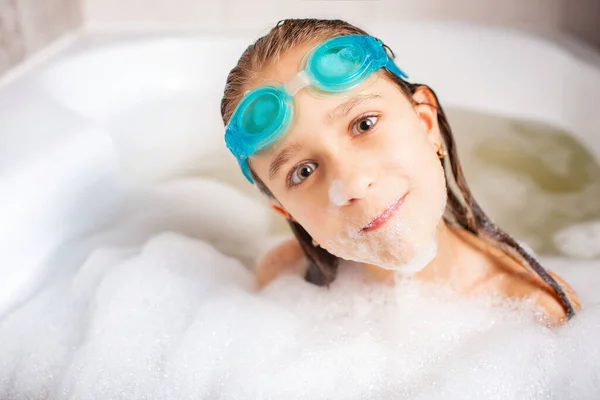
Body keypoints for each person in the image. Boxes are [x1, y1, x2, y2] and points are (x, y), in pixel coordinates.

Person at [219, 18, 580, 324]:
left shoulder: (538, 315)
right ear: (289, 214)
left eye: (363, 124)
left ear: (426, 123)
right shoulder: (284, 275)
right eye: (304, 171)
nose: (352, 183)